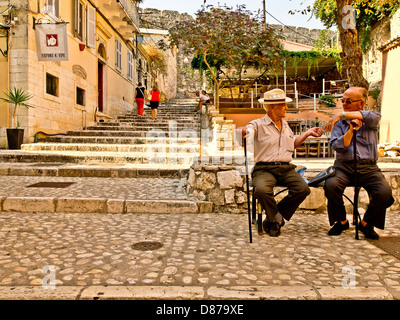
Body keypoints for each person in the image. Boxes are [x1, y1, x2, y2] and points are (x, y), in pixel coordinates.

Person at [240, 89, 323, 237]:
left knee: (303, 189)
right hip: (264, 169)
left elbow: (291, 145)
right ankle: (276, 219)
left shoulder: (285, 125)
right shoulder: (258, 124)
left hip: (286, 169)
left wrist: (306, 133)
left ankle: (274, 217)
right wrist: (245, 131)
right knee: (261, 189)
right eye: (283, 105)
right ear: (272, 107)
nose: (286, 107)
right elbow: (249, 130)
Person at [324, 87, 394, 239]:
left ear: (361, 104)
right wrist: (351, 130)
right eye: (343, 101)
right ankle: (342, 221)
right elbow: (337, 146)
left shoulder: (372, 118)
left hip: (369, 168)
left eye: (348, 101)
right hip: (344, 167)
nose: (344, 104)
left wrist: (339, 114)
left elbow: (372, 117)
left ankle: (366, 223)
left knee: (384, 193)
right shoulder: (339, 124)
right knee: (331, 185)